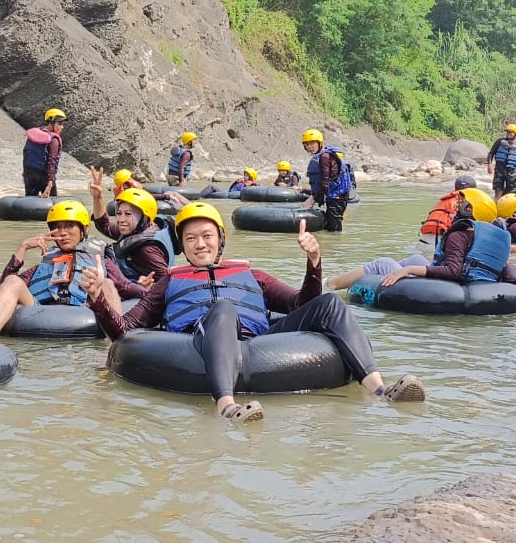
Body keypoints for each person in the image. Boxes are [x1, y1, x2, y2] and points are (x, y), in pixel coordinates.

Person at [82, 202, 425, 421]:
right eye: (190, 239)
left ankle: (378, 390)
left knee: (330, 304)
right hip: (198, 341)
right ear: (182, 247)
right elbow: (125, 330)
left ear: (220, 239)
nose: (200, 244)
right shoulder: (169, 281)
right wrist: (98, 298)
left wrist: (314, 262)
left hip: (260, 340)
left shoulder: (252, 276)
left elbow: (301, 304)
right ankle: (226, 406)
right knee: (223, 309)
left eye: (206, 236)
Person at [330, 189, 516, 287]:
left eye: (463, 203)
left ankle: (330, 285)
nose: (457, 206)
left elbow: (454, 271)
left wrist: (409, 270)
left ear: (471, 210)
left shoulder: (459, 235)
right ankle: (380, 282)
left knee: (382, 263)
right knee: (413, 258)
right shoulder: (490, 238)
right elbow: (513, 276)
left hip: (450, 287)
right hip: (468, 282)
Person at [0, 199, 101, 342]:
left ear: (84, 230)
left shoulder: (99, 260)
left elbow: (124, 287)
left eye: (69, 226)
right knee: (13, 281)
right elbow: (3, 287)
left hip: (82, 310)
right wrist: (23, 248)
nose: (63, 233)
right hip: (41, 310)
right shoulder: (47, 262)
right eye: (58, 227)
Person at [87, 168, 172, 297]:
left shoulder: (146, 250)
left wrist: (146, 289)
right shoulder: (142, 229)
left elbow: (168, 281)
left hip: (137, 299)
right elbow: (105, 226)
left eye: (128, 214)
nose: (121, 219)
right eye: (119, 214)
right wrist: (97, 197)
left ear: (144, 217)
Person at [299, 128, 354, 232]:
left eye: (312, 143)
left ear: (319, 143)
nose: (309, 147)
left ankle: (335, 247)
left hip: (337, 198)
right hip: (335, 196)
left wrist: (313, 199)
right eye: (307, 145)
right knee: (331, 227)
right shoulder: (323, 156)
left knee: (334, 230)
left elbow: (325, 182)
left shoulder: (324, 157)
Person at [22, 109, 66, 197]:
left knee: (30, 202)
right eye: (59, 124)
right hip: (44, 178)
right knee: (54, 206)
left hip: (29, 176)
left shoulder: (35, 135)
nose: (62, 127)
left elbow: (26, 154)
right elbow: (52, 162)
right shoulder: (54, 140)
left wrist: (25, 176)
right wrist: (50, 183)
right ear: (51, 123)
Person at [486, 124, 516, 196]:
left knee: (512, 193)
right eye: (507, 132)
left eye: (511, 132)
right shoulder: (499, 141)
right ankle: (497, 204)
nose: (508, 134)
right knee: (498, 191)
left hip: (511, 172)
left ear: (515, 134)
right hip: (499, 170)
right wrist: (489, 165)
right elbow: (491, 153)